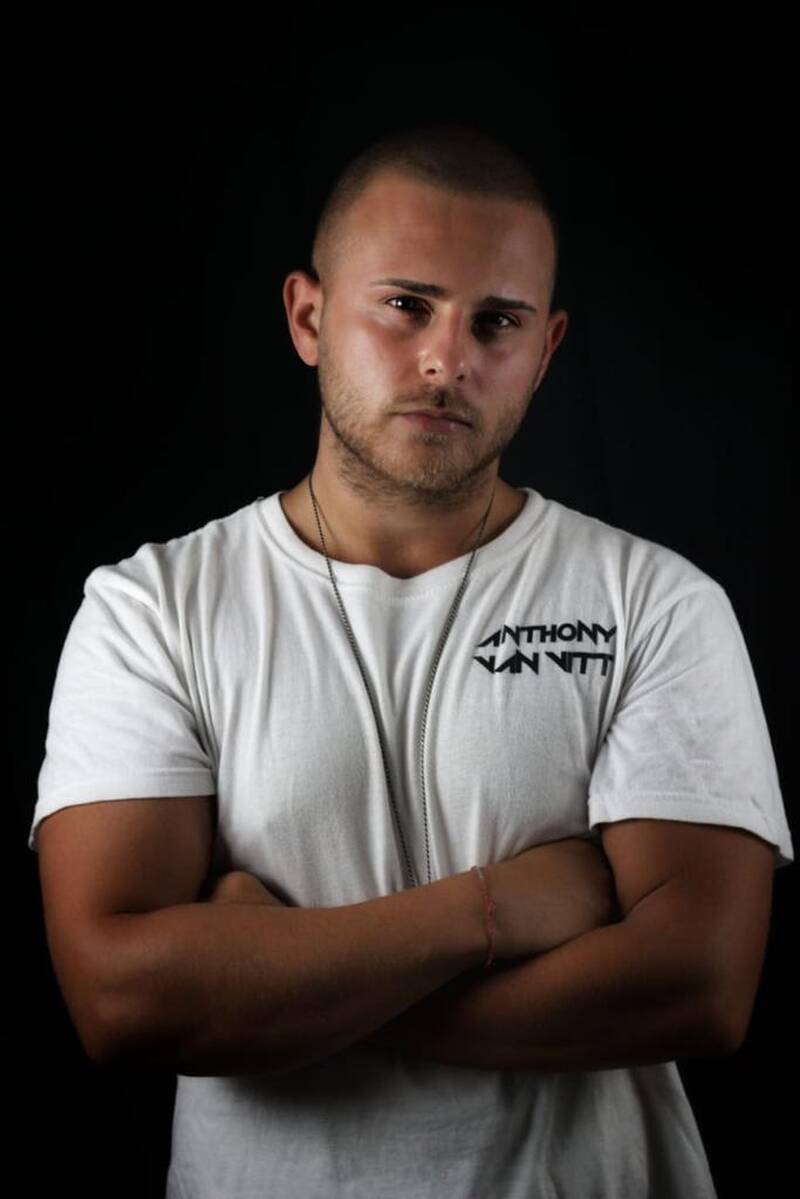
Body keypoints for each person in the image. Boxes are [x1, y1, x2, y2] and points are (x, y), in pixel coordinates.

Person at [30, 123, 793, 1198]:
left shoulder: (655, 603)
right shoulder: (151, 610)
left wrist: (276, 980)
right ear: (308, 317)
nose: (447, 359)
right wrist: (489, 910)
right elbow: (123, 1002)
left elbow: (698, 988)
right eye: (405, 305)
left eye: (497, 322)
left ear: (546, 349)